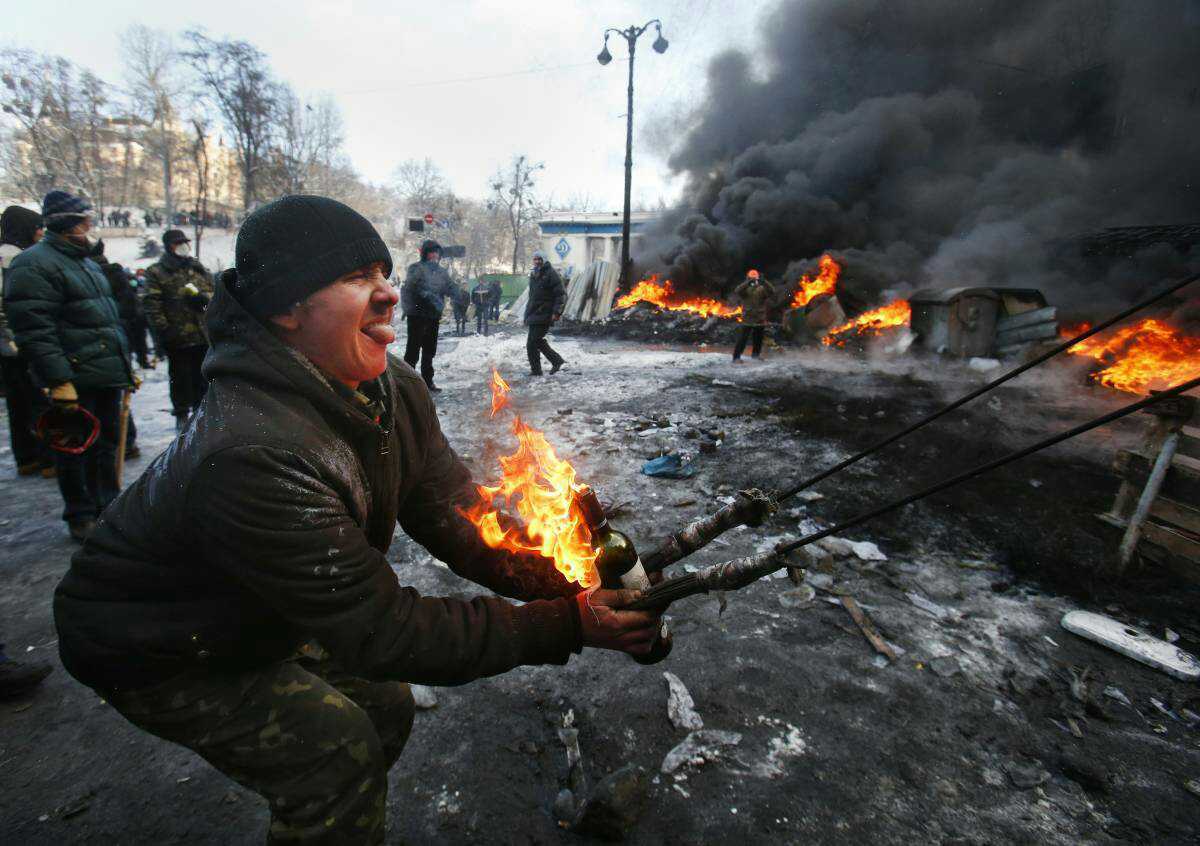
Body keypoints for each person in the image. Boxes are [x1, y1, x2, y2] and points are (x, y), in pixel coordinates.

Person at [52, 195, 661, 845]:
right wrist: (569, 624)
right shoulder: (250, 450)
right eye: (354, 278)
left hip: (258, 604)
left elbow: (459, 514)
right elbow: (383, 630)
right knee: (334, 760)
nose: (388, 295)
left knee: (385, 707)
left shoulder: (391, 384)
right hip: (156, 640)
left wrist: (571, 582)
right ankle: (321, 807)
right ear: (285, 309)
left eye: (381, 271)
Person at [4, 191, 134, 542]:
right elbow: (34, 328)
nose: (89, 227)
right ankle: (81, 514)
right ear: (65, 224)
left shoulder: (87, 263)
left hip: (104, 372)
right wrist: (58, 379)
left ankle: (108, 505)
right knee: (76, 448)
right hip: (75, 377)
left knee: (107, 444)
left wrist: (125, 366)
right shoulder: (34, 264)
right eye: (82, 221)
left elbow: (107, 320)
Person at [0, 205, 53, 477]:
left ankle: (26, 457)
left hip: (7, 349)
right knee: (38, 401)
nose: (40, 233)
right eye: (37, 228)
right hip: (20, 344)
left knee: (17, 404)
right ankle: (47, 458)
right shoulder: (18, 260)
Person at [143, 229, 213, 430]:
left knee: (203, 379)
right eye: (177, 243)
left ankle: (203, 415)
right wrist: (164, 330)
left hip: (202, 335)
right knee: (180, 379)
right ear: (169, 246)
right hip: (177, 337)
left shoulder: (198, 268)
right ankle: (182, 415)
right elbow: (151, 303)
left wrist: (203, 300)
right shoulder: (157, 271)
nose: (183, 246)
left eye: (184, 242)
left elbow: (213, 294)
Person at [89, 240, 142, 458]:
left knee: (111, 405)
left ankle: (124, 444)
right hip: (108, 347)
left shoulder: (107, 274)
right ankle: (124, 444)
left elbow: (127, 308)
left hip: (107, 347)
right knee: (113, 406)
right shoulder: (108, 273)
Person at [400, 238, 455, 392]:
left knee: (429, 351)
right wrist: (426, 294)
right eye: (431, 253)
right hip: (416, 316)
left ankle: (427, 381)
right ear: (425, 254)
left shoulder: (441, 272)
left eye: (437, 253)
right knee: (413, 350)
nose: (434, 256)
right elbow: (411, 285)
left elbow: (449, 286)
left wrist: (458, 294)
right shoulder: (415, 268)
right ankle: (407, 383)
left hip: (433, 317)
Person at [524, 251, 566, 376]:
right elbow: (532, 297)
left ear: (544, 259)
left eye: (539, 259)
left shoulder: (551, 274)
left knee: (535, 340)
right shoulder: (534, 274)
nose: (537, 261)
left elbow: (560, 295)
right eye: (535, 259)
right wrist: (527, 314)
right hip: (534, 313)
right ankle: (536, 370)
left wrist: (557, 312)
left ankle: (556, 360)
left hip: (545, 312)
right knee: (531, 344)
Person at [732, 269, 776, 362]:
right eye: (751, 277)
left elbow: (772, 291)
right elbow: (737, 290)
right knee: (743, 339)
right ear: (748, 278)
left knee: (758, 339)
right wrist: (747, 283)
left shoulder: (762, 289)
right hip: (747, 317)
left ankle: (755, 355)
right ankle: (736, 357)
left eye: (755, 277)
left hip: (759, 318)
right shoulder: (745, 289)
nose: (753, 278)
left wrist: (765, 282)